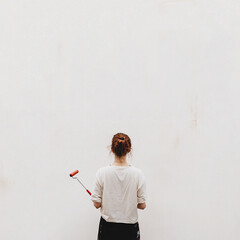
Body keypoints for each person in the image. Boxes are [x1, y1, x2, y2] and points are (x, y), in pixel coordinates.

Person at [91, 133, 147, 240]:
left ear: (112, 149)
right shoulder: (138, 174)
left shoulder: (102, 173)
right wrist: (128, 202)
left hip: (107, 228)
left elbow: (97, 204)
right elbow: (142, 205)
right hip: (130, 229)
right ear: (129, 149)